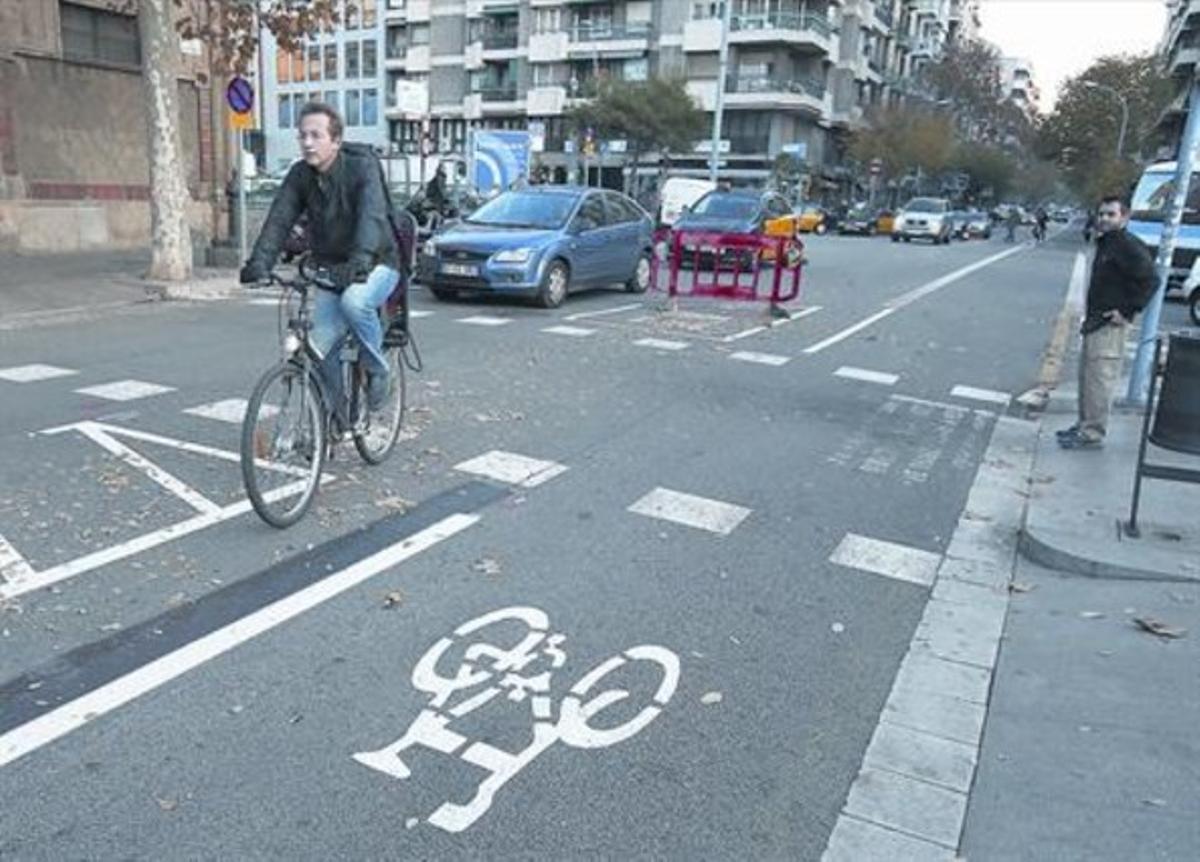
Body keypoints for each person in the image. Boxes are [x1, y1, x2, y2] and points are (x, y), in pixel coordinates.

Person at [240, 102, 400, 411]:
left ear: (336, 141)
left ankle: (378, 370)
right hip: (331, 269)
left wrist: (361, 259)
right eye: (302, 136)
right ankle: (338, 415)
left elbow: (372, 216)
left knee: (354, 303)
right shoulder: (300, 175)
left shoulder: (361, 167)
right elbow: (280, 218)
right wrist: (260, 261)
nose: (307, 143)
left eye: (316, 135)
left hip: (377, 262)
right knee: (317, 348)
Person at [1057, 195, 1157, 450]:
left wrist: (1126, 311)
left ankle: (1092, 432)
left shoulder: (1128, 246)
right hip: (1096, 321)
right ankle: (1085, 424)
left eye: (1111, 214)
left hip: (1109, 324)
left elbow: (1150, 280)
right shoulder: (1108, 242)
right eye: (1101, 214)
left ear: (1125, 217)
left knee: (1101, 379)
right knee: (1088, 377)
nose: (1104, 219)